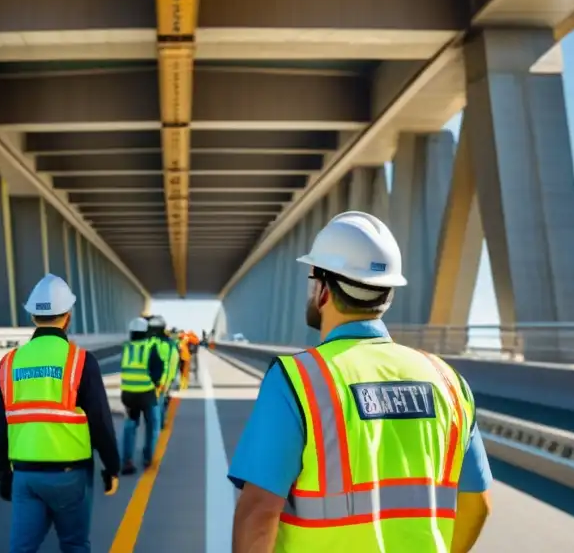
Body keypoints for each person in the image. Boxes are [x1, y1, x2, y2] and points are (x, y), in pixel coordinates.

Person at [228, 212, 493, 553]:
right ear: (388, 294)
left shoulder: (298, 380)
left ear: (323, 288)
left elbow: (259, 514)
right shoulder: (448, 381)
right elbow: (478, 504)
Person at [0, 274, 121, 553]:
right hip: (70, 475)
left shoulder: (9, 362)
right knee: (74, 545)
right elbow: (100, 423)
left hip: (25, 476)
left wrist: (5, 476)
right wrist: (111, 467)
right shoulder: (81, 361)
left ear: (33, 316)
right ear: (68, 316)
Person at [120, 316, 165, 475]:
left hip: (128, 395)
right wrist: (156, 382)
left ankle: (127, 461)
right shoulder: (150, 347)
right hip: (146, 394)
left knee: (130, 426)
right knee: (152, 426)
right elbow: (158, 370)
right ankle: (147, 458)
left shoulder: (126, 347)